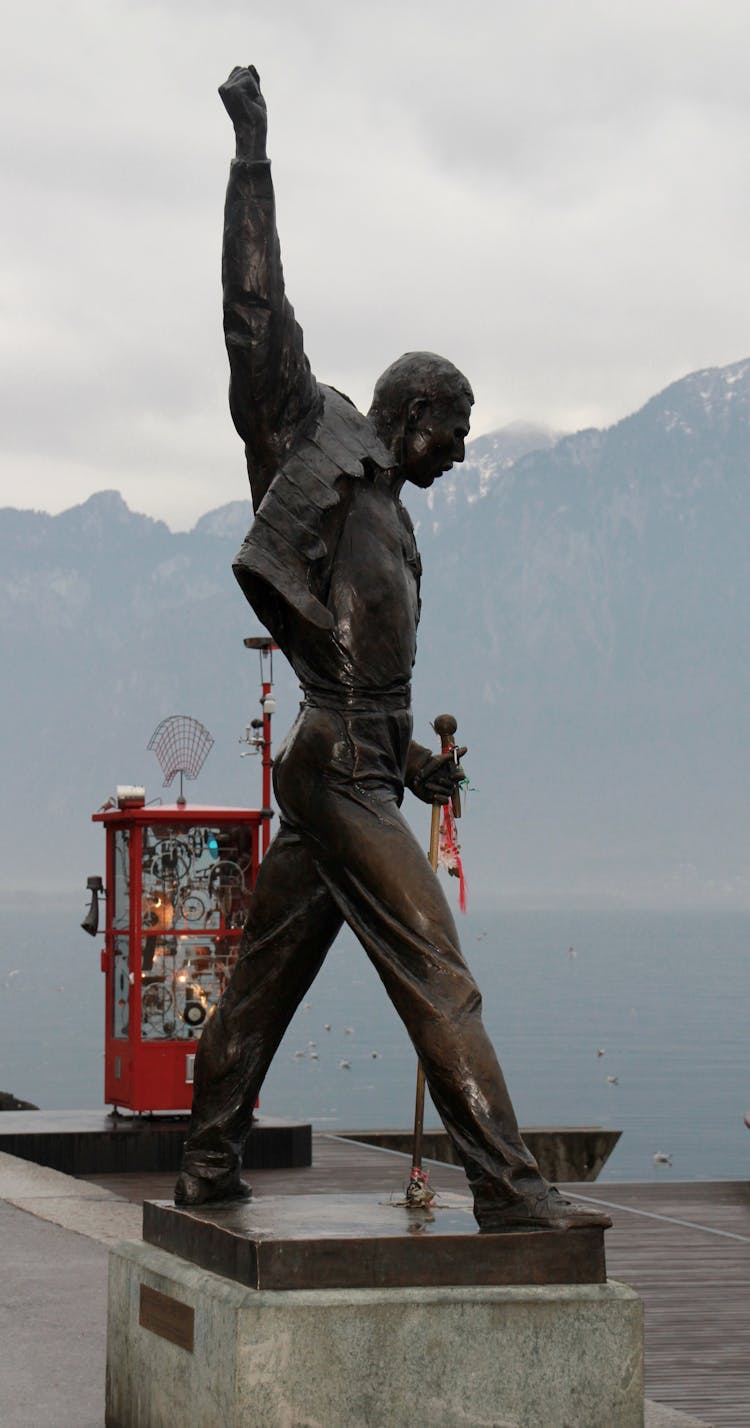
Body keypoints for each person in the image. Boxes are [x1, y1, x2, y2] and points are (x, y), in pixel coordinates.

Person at [175, 66, 609, 1234]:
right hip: (335, 771)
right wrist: (253, 156)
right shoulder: (311, 443)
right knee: (438, 968)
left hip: (357, 767)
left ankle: (206, 1155)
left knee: (267, 975)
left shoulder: (392, 516)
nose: (463, 457)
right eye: (455, 435)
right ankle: (512, 1192)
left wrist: (414, 760)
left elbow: (369, 676)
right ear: (411, 415)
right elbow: (253, 314)